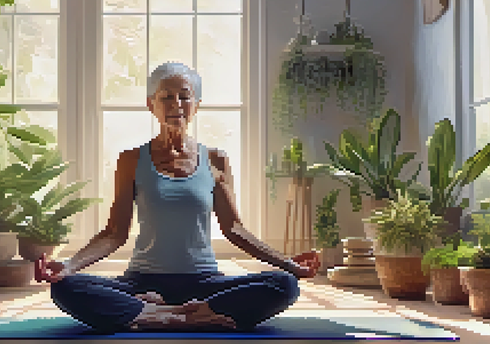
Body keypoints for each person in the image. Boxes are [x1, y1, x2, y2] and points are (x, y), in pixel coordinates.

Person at [37, 62, 320, 333]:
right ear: (151, 105)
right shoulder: (131, 160)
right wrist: (68, 266)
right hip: (142, 283)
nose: (176, 104)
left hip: (205, 281)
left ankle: (153, 314)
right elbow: (114, 233)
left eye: (185, 97)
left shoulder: (215, 160)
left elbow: (234, 229)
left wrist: (288, 264)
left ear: (196, 105)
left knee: (284, 285)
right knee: (66, 287)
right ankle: (192, 316)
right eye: (166, 97)